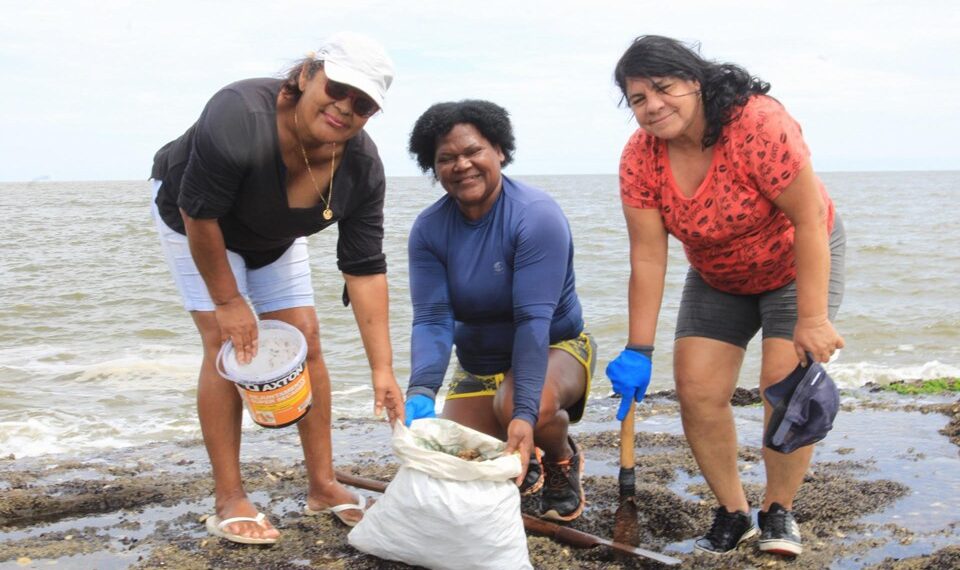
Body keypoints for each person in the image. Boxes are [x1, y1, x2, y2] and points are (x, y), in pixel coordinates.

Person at [149, 32, 404, 544]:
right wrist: (229, 301)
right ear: (307, 75)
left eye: (363, 103)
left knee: (306, 339)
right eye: (338, 88)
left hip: (274, 235)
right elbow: (199, 214)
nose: (344, 107)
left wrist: (383, 369)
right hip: (193, 218)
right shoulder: (237, 116)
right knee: (228, 344)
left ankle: (323, 484)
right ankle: (229, 498)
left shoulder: (362, 169)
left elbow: (365, 269)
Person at [606, 35, 845, 557]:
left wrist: (812, 317)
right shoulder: (640, 157)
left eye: (663, 88)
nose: (652, 107)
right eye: (638, 99)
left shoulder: (756, 125)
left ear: (695, 81)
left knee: (782, 385)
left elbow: (809, 220)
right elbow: (648, 257)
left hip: (792, 260)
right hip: (717, 272)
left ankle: (779, 510)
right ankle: (734, 512)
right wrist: (637, 349)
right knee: (696, 388)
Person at [402, 100, 597, 522]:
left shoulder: (535, 216)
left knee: (515, 407)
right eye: (446, 158)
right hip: (479, 362)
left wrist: (525, 415)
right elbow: (433, 319)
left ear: (500, 151)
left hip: (555, 346)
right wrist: (420, 392)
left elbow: (532, 321)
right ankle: (520, 458)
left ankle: (559, 458)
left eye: (473, 151)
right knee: (456, 457)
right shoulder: (429, 229)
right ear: (432, 168)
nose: (462, 165)